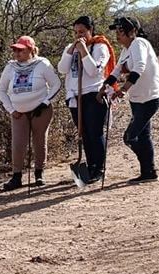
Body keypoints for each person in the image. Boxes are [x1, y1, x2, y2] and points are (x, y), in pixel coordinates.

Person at [97, 17, 159, 182]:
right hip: (137, 100)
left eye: (121, 31)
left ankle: (148, 167)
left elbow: (139, 66)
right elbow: (117, 71)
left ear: (132, 32)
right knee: (144, 135)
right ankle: (148, 171)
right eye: (116, 31)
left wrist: (124, 89)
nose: (117, 35)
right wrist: (103, 88)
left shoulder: (139, 44)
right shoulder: (126, 50)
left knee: (130, 137)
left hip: (149, 98)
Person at [0, 36, 62, 190]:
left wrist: (45, 102)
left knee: (39, 141)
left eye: (20, 49)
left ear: (31, 50)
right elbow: (1, 90)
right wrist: (11, 109)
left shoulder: (42, 64)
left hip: (41, 111)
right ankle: (17, 176)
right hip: (19, 112)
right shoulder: (11, 67)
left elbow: (56, 84)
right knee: (18, 144)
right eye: (15, 49)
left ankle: (39, 173)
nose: (16, 52)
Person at [58, 16, 116, 184]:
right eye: (75, 33)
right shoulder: (70, 47)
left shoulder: (100, 46)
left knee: (94, 131)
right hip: (75, 96)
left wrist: (84, 50)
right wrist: (71, 51)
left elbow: (93, 71)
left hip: (93, 94)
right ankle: (89, 166)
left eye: (82, 32)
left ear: (91, 30)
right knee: (83, 133)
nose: (78, 36)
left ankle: (99, 168)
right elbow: (62, 69)